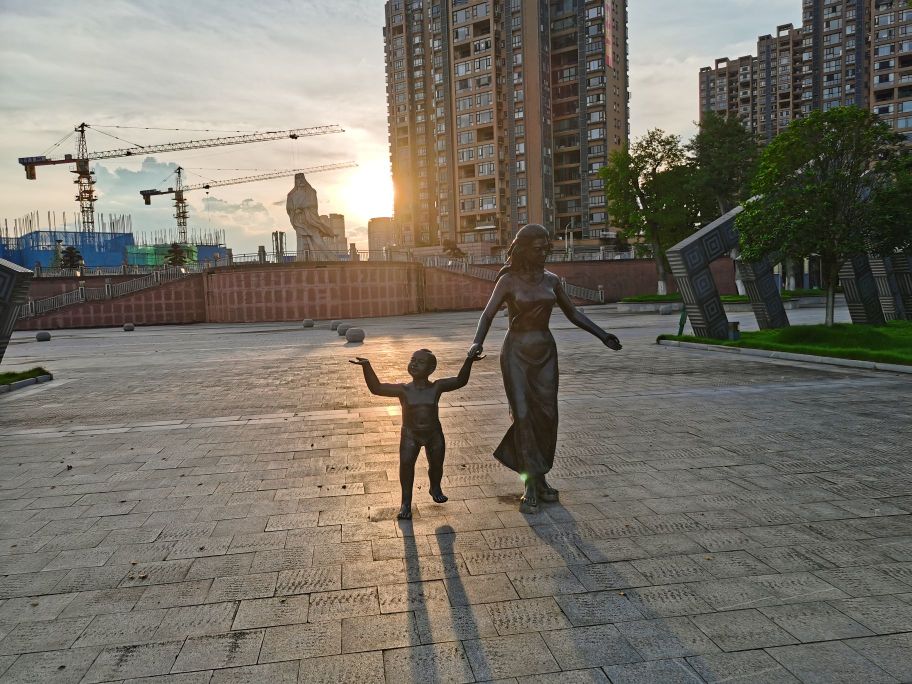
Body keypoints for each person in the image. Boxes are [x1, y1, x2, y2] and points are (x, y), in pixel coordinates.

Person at [468, 224, 621, 513]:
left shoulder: (552, 280)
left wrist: (602, 335)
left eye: (546, 249)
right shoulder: (508, 281)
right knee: (524, 416)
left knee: (547, 416)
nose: (543, 254)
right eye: (537, 249)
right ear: (524, 249)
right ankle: (529, 482)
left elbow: (573, 312)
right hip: (515, 352)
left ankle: (541, 476)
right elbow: (487, 315)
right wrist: (476, 342)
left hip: (545, 353)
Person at [350, 349, 484, 519]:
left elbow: (460, 380)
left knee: (436, 465)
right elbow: (377, 388)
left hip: (434, 434)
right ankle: (405, 502)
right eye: (412, 360)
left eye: (420, 362)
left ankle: (435, 486)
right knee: (406, 466)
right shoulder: (404, 390)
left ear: (431, 368)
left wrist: (469, 360)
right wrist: (367, 366)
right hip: (410, 435)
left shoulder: (437, 387)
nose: (414, 364)